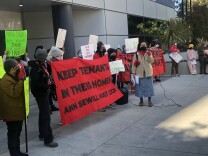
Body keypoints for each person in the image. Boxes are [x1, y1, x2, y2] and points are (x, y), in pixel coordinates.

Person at [29, 48, 58, 148]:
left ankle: (42, 134)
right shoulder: (36, 68)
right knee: (46, 116)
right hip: (41, 94)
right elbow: (36, 83)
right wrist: (47, 85)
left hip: (42, 93)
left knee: (43, 115)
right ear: (42, 57)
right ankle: (48, 139)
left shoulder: (39, 66)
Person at [0, 59, 28, 156]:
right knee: (13, 133)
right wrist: (21, 81)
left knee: (17, 133)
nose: (19, 67)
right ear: (12, 69)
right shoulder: (5, 80)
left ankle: (17, 151)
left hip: (16, 112)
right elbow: (14, 93)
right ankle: (14, 153)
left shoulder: (13, 77)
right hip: (11, 114)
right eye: (17, 66)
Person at [132, 42, 154, 107]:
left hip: (148, 73)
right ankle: (141, 101)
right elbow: (133, 65)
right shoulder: (136, 54)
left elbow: (151, 61)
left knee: (149, 87)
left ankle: (149, 101)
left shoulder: (149, 53)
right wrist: (133, 72)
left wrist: (150, 56)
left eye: (144, 45)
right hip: (139, 73)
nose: (143, 46)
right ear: (140, 46)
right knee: (139, 88)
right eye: (142, 45)